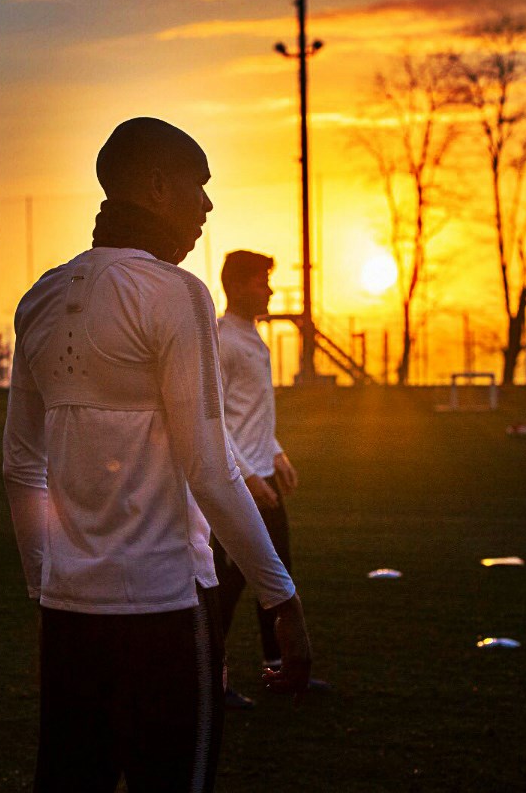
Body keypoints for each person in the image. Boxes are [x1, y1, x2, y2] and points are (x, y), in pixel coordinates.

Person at [2, 117, 312, 792]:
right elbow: (210, 469)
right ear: (156, 186)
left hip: (68, 615)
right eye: (199, 187)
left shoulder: (39, 298)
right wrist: (280, 596)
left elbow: (20, 467)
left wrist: (44, 582)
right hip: (164, 610)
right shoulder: (176, 293)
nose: (207, 206)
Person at [211, 250, 328, 710]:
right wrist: (248, 476)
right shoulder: (221, 341)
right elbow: (214, 419)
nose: (271, 290)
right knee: (229, 587)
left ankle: (280, 669)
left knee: (273, 579)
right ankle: (209, 681)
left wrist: (276, 453)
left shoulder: (252, 338)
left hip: (263, 478)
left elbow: (251, 415)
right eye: (262, 283)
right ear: (237, 286)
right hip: (242, 485)